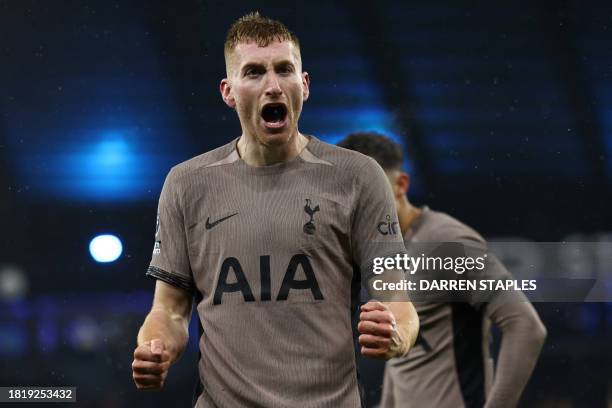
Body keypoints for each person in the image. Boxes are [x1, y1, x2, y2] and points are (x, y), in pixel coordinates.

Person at [132, 13, 419, 407]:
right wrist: (155, 347)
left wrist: (397, 335)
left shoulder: (358, 177)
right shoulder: (187, 184)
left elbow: (398, 300)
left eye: (284, 69)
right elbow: (169, 310)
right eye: (253, 72)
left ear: (304, 85)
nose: (272, 85)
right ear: (228, 91)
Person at [338, 132, 547, 408]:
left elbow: (525, 326)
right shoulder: (379, 253)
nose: (362, 205)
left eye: (372, 190)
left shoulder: (447, 243)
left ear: (401, 184)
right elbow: (404, 362)